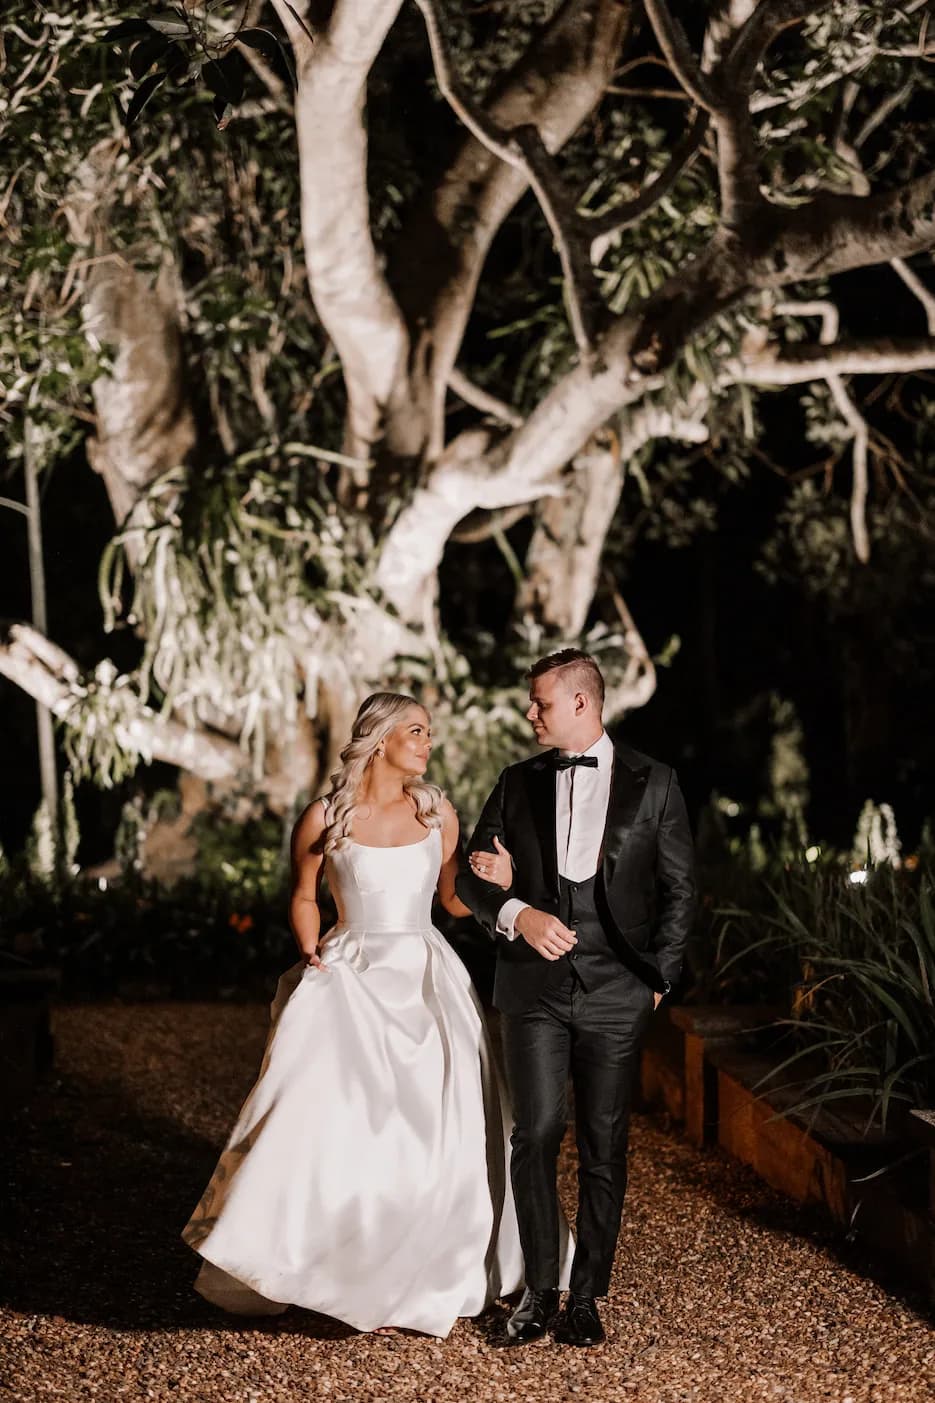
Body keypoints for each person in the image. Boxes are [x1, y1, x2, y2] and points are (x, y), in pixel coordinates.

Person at [183, 692, 569, 1337]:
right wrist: (310, 942)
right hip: (347, 975)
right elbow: (302, 896)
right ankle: (326, 1260)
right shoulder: (324, 816)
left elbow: (450, 901)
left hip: (424, 975)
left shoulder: (436, 811)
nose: (427, 743)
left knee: (433, 1123)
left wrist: (505, 884)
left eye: (428, 732)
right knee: (334, 1121)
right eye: (416, 731)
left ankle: (427, 1266)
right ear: (381, 737)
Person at [457, 650, 695, 1347]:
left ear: (581, 704)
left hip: (619, 988)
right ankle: (537, 1289)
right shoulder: (514, 782)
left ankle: (586, 1295)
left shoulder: (655, 783)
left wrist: (660, 977)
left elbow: (680, 889)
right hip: (532, 990)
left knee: (604, 1144)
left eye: (540, 704)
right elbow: (473, 881)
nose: (530, 714)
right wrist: (517, 912)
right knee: (532, 1133)